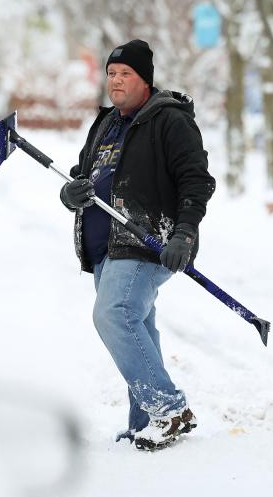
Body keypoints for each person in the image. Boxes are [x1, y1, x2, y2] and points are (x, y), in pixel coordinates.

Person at [59, 39, 216, 451]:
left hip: (148, 241)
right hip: (103, 248)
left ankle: (168, 410)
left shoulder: (169, 120)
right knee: (137, 325)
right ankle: (146, 421)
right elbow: (83, 175)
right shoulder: (106, 123)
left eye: (125, 73)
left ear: (144, 79)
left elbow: (196, 181)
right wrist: (70, 193)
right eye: (111, 73)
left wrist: (184, 234)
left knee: (114, 314)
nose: (115, 81)